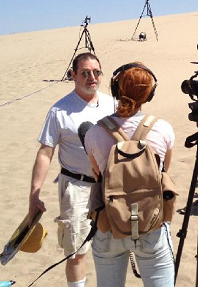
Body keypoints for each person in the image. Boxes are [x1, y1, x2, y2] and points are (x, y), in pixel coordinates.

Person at [84, 62, 175, 287]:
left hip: (109, 225)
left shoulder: (95, 132)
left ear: (115, 91)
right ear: (149, 94)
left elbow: (97, 174)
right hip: (151, 225)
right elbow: (164, 171)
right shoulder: (163, 129)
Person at [29, 52, 115, 287]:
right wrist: (34, 194)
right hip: (76, 188)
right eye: (85, 73)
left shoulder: (112, 103)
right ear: (73, 75)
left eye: (96, 72)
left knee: (112, 248)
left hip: (110, 188)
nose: (92, 77)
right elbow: (45, 153)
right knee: (76, 252)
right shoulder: (60, 111)